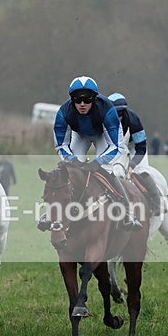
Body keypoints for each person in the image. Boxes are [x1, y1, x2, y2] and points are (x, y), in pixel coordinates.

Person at [44, 75, 142, 231]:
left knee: (108, 171)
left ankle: (126, 213)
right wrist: (72, 160)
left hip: (104, 137)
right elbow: (61, 145)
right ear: (71, 99)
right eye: (77, 100)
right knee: (67, 168)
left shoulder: (107, 110)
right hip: (80, 135)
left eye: (87, 99)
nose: (82, 104)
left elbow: (116, 146)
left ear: (95, 99)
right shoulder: (63, 112)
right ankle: (50, 214)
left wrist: (98, 162)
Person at [107, 92, 163, 215]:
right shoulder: (102, 121)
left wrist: (132, 164)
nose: (118, 117)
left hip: (134, 147)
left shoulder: (133, 120)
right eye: (114, 114)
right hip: (114, 148)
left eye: (120, 113)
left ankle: (156, 203)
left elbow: (141, 147)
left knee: (141, 170)